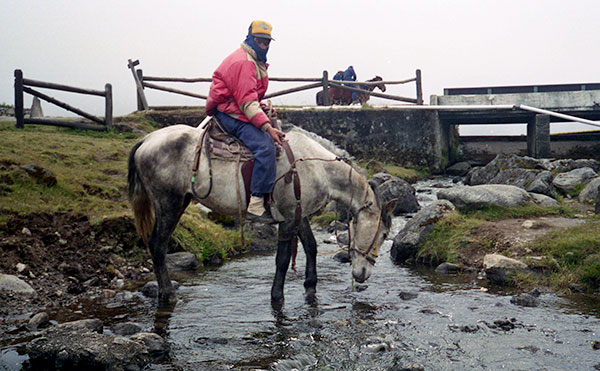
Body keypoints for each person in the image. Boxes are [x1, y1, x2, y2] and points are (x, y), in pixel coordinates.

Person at [205, 20, 286, 224]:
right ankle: (256, 204)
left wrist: (263, 109)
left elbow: (250, 97)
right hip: (229, 112)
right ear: (251, 38)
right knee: (265, 147)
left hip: (237, 106)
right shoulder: (244, 63)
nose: (264, 46)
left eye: (267, 42)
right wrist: (267, 126)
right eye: (260, 41)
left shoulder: (252, 59)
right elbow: (247, 102)